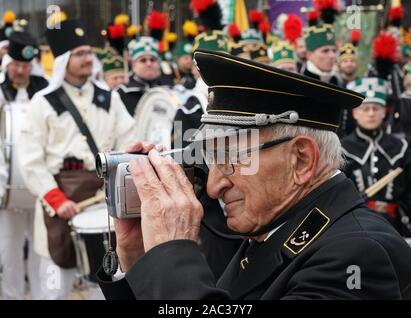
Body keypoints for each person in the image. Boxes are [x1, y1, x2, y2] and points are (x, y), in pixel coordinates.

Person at [98, 50, 411, 300]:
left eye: (232, 159)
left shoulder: (357, 255)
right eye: (211, 159)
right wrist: (142, 260)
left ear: (301, 160)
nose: (213, 184)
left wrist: (172, 255)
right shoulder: (275, 228)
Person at [17, 19, 137, 300]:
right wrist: (57, 200)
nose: (88, 59)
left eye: (89, 53)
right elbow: (30, 159)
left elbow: (129, 143)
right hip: (59, 204)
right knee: (53, 289)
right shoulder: (42, 102)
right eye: (80, 54)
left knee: (104, 287)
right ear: (63, 60)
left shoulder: (111, 99)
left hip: (103, 202)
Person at [0, 30, 48, 300]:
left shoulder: (45, 88)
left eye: (25, 66)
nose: (20, 71)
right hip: (6, 188)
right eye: (16, 65)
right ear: (8, 63)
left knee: (42, 251)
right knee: (9, 253)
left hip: (41, 186)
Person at [342, 77, 411, 237]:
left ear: (384, 112)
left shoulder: (402, 147)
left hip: (395, 225)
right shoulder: (343, 148)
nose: (371, 114)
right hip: (355, 224)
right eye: (365, 109)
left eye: (376, 108)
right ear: (355, 113)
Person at [117, 36, 173, 117]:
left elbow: (178, 118)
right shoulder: (123, 93)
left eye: (152, 60)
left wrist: (177, 130)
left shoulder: (170, 87)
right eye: (143, 60)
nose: (149, 64)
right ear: (133, 65)